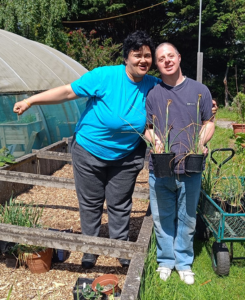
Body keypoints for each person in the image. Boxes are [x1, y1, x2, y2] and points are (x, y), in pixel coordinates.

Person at [13, 31, 217, 270]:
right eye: (137, 55)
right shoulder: (104, 76)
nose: (143, 60)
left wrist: (209, 105)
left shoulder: (153, 84)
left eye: (147, 56)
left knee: (120, 203)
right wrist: (30, 101)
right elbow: (68, 91)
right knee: (90, 202)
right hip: (89, 150)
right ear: (126, 58)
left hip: (127, 155)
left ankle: (120, 247)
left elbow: (180, 91)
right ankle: (90, 249)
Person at [145, 43, 215, 285]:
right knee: (162, 217)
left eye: (170, 56)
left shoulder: (200, 90)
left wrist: (201, 141)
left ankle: (184, 262)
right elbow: (149, 128)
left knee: (187, 219)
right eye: (161, 58)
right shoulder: (153, 94)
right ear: (157, 64)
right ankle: (165, 261)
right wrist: (155, 142)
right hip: (161, 168)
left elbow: (209, 122)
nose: (167, 61)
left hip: (190, 167)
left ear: (179, 57)